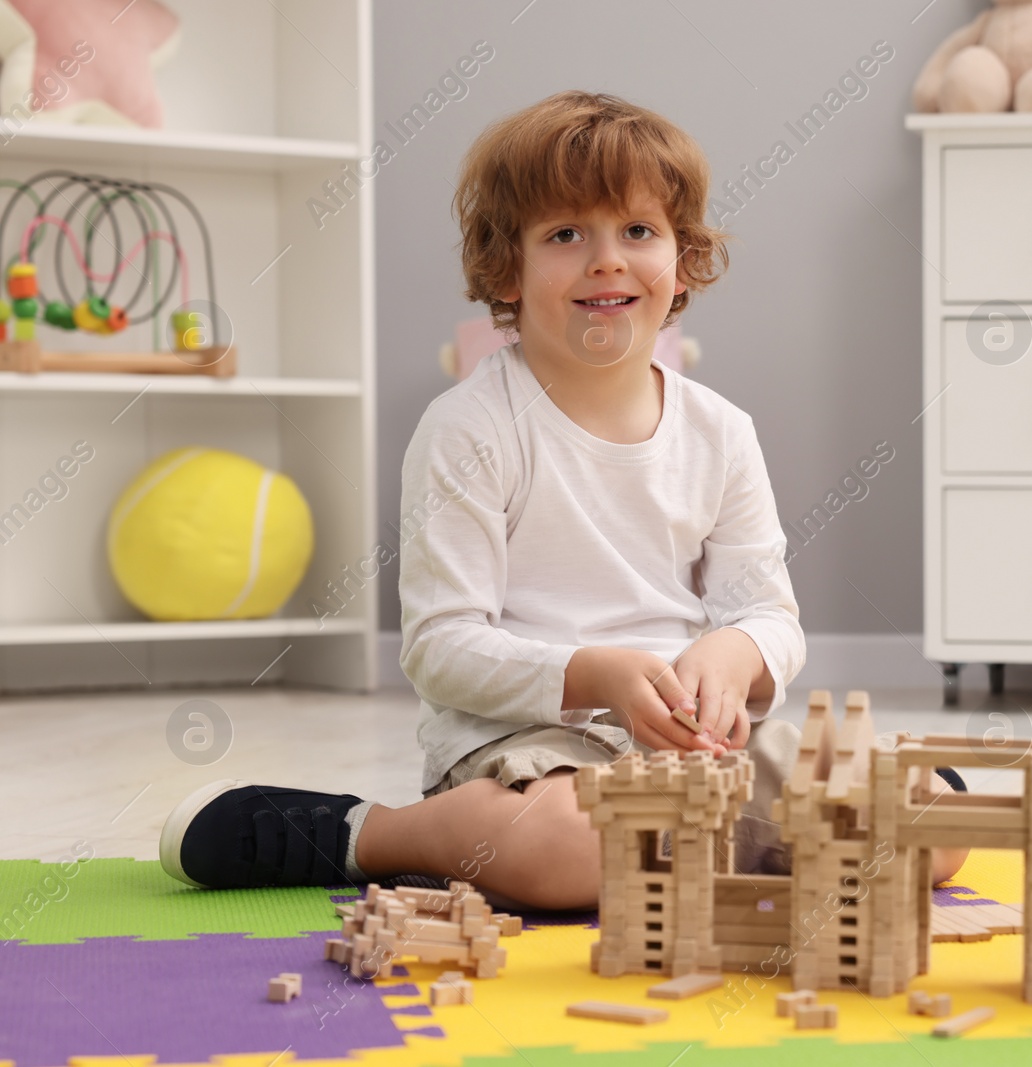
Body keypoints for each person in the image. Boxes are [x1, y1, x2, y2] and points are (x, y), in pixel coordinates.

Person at [157, 90, 968, 909]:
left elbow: (767, 611)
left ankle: (695, 846)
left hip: (695, 751)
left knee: (935, 823)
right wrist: (593, 675)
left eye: (639, 231)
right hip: (532, 750)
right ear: (506, 267)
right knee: (568, 853)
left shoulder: (720, 430)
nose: (607, 259)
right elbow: (440, 646)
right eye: (566, 234)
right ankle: (367, 832)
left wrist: (734, 656)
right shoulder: (469, 429)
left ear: (683, 261)